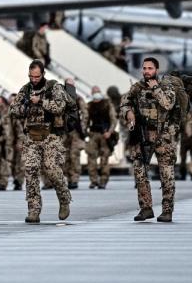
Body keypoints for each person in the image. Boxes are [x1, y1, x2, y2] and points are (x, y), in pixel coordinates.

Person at [10, 60, 72, 223]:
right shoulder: (26, 89)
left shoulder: (54, 87)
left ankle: (64, 198)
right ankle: (34, 210)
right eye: (31, 76)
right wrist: (25, 106)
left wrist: (41, 102)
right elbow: (13, 110)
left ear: (43, 74)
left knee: (52, 170)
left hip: (50, 136)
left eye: (37, 76)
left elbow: (60, 107)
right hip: (31, 137)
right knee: (30, 172)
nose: (34, 79)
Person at [120, 57, 178, 223]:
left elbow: (168, 104)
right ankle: (146, 208)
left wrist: (156, 88)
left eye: (150, 68)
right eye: (144, 68)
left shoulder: (166, 86)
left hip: (163, 136)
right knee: (139, 172)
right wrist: (128, 113)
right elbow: (124, 103)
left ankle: (167, 210)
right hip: (143, 135)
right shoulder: (137, 87)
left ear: (156, 70)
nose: (146, 71)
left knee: (166, 174)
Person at [86, 86, 117, 190]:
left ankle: (103, 181)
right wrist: (86, 132)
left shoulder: (107, 104)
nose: (96, 93)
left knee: (104, 158)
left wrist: (110, 132)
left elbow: (113, 120)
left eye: (97, 91)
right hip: (93, 134)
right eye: (94, 92)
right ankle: (93, 181)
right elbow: (86, 120)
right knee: (91, 158)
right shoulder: (89, 105)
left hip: (105, 134)